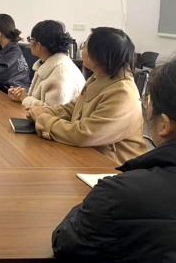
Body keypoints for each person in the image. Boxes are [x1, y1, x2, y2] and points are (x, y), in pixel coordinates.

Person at [52, 59, 176, 263]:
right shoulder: (94, 81)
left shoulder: (116, 196)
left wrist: (93, 201)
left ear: (164, 125)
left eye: (148, 101)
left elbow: (65, 243)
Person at [26, 27, 146, 165]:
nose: (81, 50)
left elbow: (85, 134)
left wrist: (43, 120)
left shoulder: (122, 93)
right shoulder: (99, 78)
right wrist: (44, 111)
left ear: (99, 54)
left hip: (114, 167)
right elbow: (73, 108)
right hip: (90, 156)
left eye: (84, 46)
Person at [8, 20, 85, 107]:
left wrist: (25, 98)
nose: (29, 42)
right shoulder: (46, 64)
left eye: (30, 39)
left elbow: (52, 111)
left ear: (38, 45)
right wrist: (21, 96)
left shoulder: (61, 74)